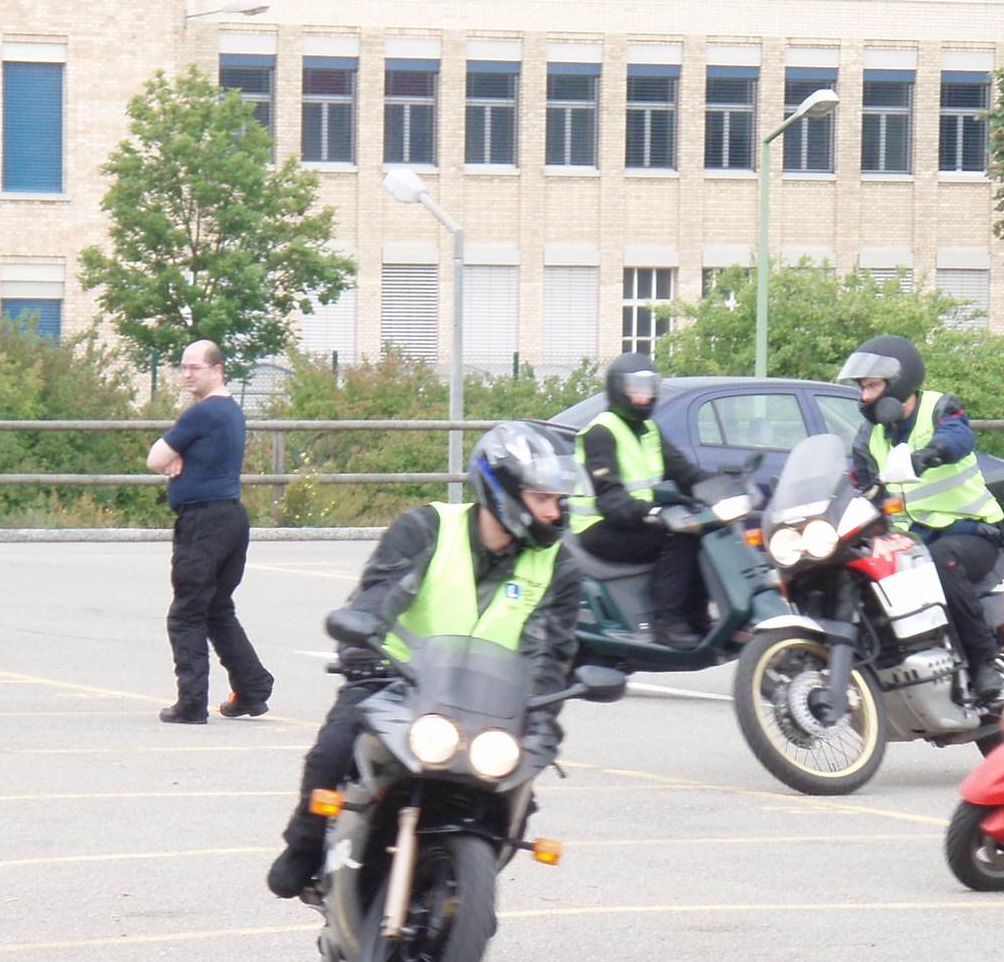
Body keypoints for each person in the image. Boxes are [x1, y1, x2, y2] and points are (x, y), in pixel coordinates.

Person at [265, 421, 585, 899]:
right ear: (502, 491)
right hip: (396, 681)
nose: (555, 511)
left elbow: (551, 653)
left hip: (490, 704)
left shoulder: (558, 566)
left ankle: (463, 891)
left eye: (560, 499)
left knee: (517, 791)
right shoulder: (427, 529)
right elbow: (377, 598)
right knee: (332, 750)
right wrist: (361, 646)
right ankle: (305, 845)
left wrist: (540, 705)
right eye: (544, 497)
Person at [837, 334, 1004, 702]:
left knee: (942, 565)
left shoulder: (940, 409)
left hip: (971, 530)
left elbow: (959, 438)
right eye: (862, 388)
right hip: (912, 540)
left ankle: (984, 664)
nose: (864, 396)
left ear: (898, 384)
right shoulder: (869, 437)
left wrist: (930, 454)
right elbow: (861, 485)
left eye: (872, 386)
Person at [145, 340, 275, 725]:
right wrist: (182, 454)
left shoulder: (202, 414)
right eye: (183, 367)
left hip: (204, 522)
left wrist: (176, 454)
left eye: (195, 368)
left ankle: (191, 703)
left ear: (217, 369)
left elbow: (155, 459)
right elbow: (170, 458)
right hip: (231, 518)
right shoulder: (231, 411)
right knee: (217, 608)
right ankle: (252, 689)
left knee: (187, 613)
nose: (187, 374)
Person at [568, 354, 709, 647]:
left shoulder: (650, 431)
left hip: (636, 519)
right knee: (679, 535)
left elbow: (685, 472)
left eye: (648, 388)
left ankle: (699, 619)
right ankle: (668, 623)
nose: (644, 397)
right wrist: (654, 511)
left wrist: (723, 486)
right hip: (599, 527)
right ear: (617, 389)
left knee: (704, 530)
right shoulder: (601, 432)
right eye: (636, 389)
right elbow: (610, 498)